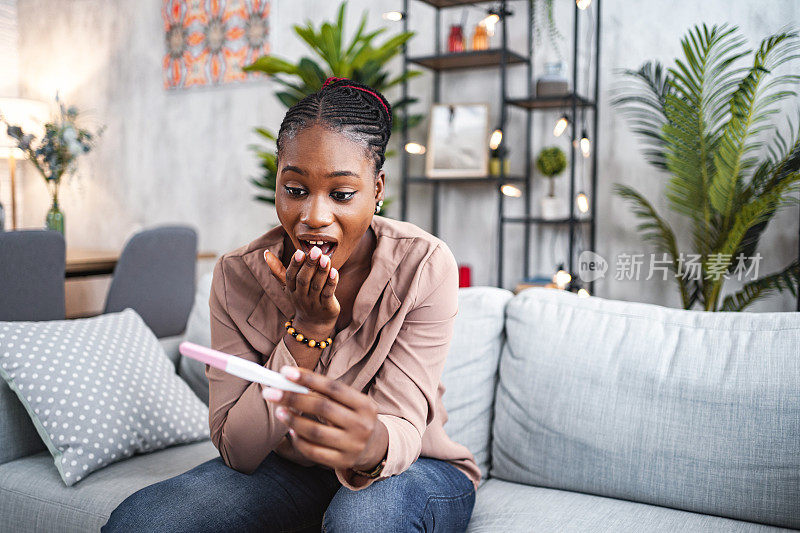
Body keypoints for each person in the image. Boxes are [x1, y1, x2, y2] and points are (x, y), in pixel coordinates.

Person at [102, 77, 479, 533]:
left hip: (416, 466)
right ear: (277, 182)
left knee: (363, 521)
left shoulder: (422, 266)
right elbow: (238, 451)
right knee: (143, 523)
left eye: (341, 194)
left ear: (377, 189)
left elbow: (401, 429)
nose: (314, 216)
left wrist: (368, 441)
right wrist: (306, 332)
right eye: (295, 189)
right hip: (293, 470)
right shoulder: (235, 276)